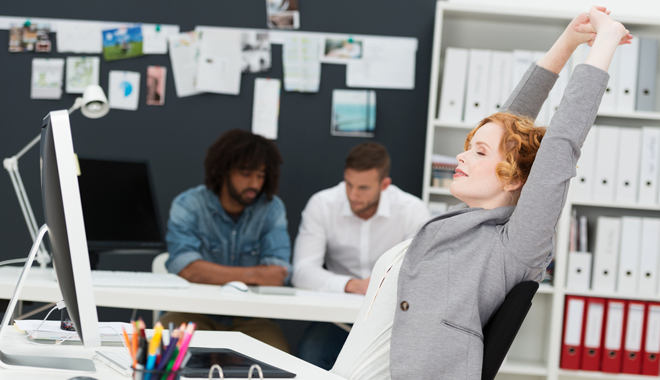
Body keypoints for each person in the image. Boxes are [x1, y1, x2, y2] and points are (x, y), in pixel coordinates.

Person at [331, 7, 632, 379]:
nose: (462, 154)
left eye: (479, 152)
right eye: (469, 145)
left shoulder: (513, 246)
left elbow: (560, 147)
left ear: (513, 179)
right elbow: (507, 121)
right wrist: (569, 41)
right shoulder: (466, 221)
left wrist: (605, 40)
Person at [292, 142, 430, 369]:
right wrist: (352, 285)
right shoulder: (323, 204)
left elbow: (420, 274)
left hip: (390, 320)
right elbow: (302, 271)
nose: (353, 195)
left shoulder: (411, 210)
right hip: (335, 318)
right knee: (311, 351)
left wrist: (379, 288)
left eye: (363, 188)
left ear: (385, 184)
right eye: (348, 184)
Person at [160, 129, 292, 352]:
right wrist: (255, 275)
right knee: (164, 349)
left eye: (261, 175)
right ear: (223, 171)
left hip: (252, 320)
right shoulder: (188, 205)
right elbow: (187, 269)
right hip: (194, 313)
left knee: (277, 356)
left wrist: (209, 272)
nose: (255, 183)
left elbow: (278, 273)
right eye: (246, 173)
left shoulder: (271, 208)